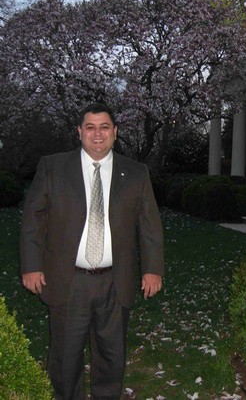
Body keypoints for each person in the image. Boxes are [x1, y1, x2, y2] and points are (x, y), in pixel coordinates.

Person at [19, 102, 164, 399]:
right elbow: (33, 220)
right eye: (90, 127)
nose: (98, 134)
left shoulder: (136, 173)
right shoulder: (53, 167)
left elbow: (150, 225)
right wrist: (31, 265)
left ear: (115, 132)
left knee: (112, 357)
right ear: (79, 132)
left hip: (115, 281)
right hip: (68, 280)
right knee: (65, 358)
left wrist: (152, 269)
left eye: (104, 127)